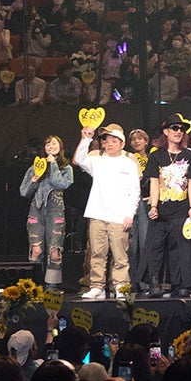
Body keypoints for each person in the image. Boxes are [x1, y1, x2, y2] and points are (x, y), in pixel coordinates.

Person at [75, 124, 140, 300]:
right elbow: (79, 159)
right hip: (97, 214)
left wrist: (130, 214)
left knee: (120, 254)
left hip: (119, 216)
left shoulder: (129, 163)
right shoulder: (97, 160)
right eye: (106, 141)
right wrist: (86, 139)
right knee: (97, 253)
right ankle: (97, 286)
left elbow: (135, 190)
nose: (109, 144)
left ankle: (121, 286)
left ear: (122, 143)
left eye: (114, 141)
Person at [141, 118, 191, 297]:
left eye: (182, 129)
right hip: (161, 208)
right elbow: (154, 183)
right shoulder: (156, 156)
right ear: (166, 132)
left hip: (182, 207)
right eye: (174, 128)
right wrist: (153, 206)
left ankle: (182, 284)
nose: (178, 131)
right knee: (155, 246)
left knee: (181, 247)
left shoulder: (190, 156)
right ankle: (154, 282)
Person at [20, 136, 75, 290]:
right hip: (36, 210)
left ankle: (52, 286)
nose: (51, 146)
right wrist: (33, 181)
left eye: (54, 143)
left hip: (55, 211)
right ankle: (34, 285)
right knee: (36, 250)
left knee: (55, 251)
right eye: (48, 144)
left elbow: (60, 184)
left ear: (60, 147)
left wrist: (53, 165)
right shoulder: (35, 167)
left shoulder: (66, 168)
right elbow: (23, 192)